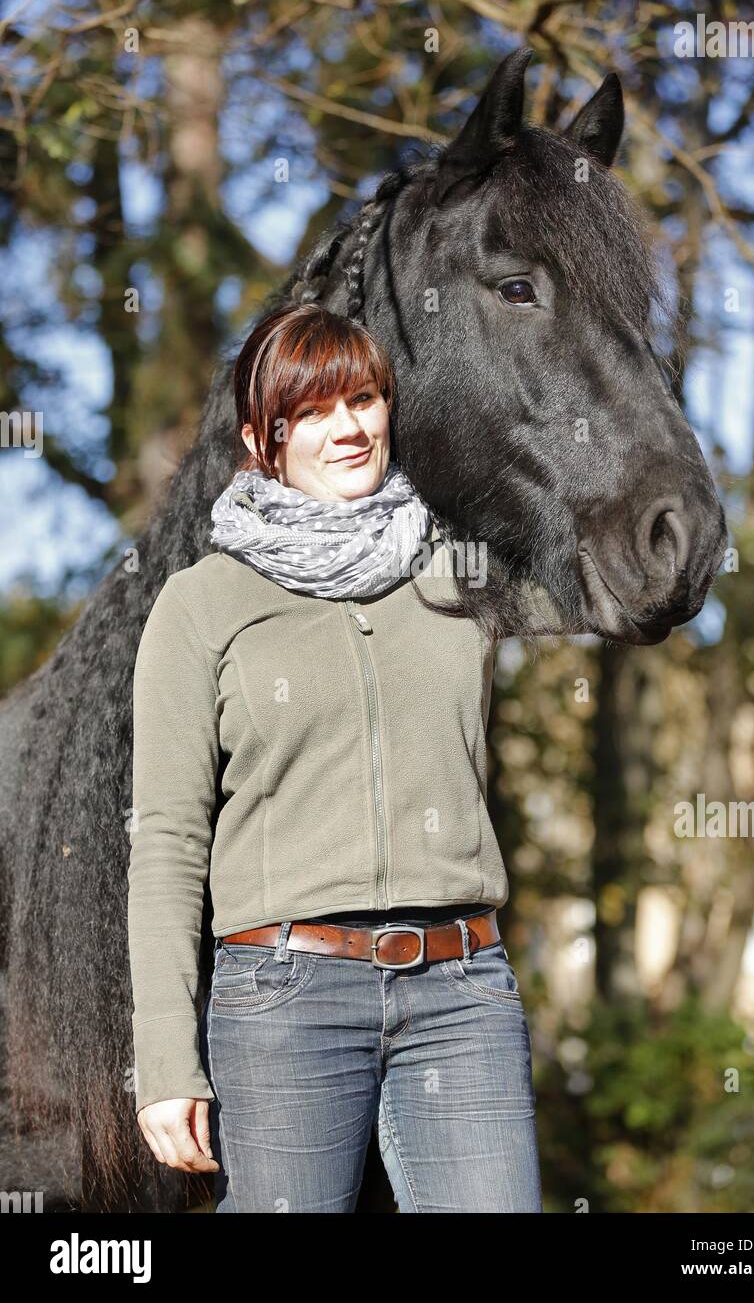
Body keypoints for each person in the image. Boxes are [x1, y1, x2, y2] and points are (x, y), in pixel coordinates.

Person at [128, 302, 543, 1212]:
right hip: (285, 999)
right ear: (259, 439)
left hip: (463, 991)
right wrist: (164, 1057)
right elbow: (164, 836)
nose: (348, 428)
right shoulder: (202, 604)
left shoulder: (459, 574)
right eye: (311, 413)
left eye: (364, 399)